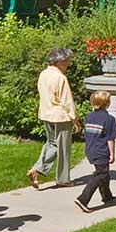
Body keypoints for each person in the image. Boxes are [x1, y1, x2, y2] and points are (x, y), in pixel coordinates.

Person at [29, 47, 79, 189]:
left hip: (46, 114)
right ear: (60, 61)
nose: (68, 63)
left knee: (52, 144)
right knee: (63, 149)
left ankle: (36, 169)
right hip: (61, 116)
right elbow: (67, 101)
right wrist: (75, 120)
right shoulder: (60, 77)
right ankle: (63, 179)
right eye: (67, 61)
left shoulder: (43, 74)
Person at [74, 90, 116, 213]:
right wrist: (112, 154)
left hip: (90, 149)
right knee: (101, 174)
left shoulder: (89, 116)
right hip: (101, 151)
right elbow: (110, 138)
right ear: (107, 104)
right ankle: (83, 199)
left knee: (104, 172)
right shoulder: (109, 119)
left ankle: (107, 196)